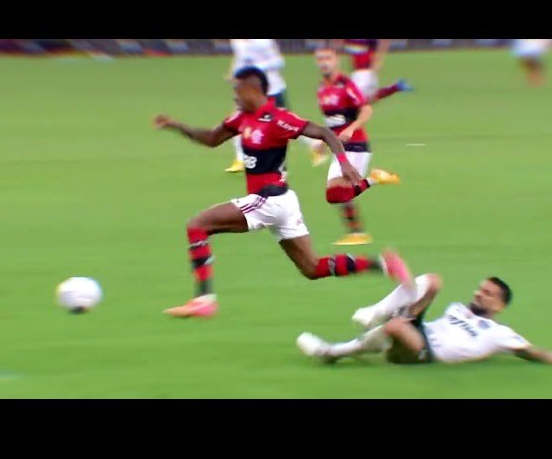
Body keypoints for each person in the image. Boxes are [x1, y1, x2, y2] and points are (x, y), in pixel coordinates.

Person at [154, 66, 412, 318]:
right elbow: (211, 138)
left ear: (252, 90)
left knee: (197, 225)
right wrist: (176, 126)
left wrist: (344, 164)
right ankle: (384, 264)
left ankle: (204, 300)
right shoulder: (240, 118)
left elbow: (324, 132)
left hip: (268, 200)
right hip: (282, 203)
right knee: (313, 268)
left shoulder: (278, 119)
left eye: (237, 90)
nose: (234, 96)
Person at [297, 274, 552, 366]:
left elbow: (531, 352)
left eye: (487, 294)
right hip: (418, 334)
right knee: (434, 281)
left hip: (425, 354)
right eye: (480, 289)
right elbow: (420, 313)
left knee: (395, 327)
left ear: (499, 305)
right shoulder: (457, 309)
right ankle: (375, 311)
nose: (479, 294)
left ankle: (331, 352)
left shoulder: (500, 333)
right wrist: (410, 309)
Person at [314, 47, 400, 246]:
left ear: (336, 60)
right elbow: (332, 121)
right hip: (339, 146)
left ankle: (358, 230)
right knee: (336, 194)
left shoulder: (346, 84)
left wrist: (351, 129)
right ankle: (356, 233)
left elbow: (366, 109)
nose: (324, 62)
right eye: (320, 59)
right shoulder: (321, 88)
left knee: (337, 193)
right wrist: (323, 141)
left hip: (356, 145)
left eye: (328, 58)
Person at [224, 39, 324, 173]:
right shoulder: (237, 41)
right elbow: (240, 59)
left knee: (284, 124)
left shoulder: (264, 42)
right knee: (238, 120)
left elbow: (278, 61)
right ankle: (240, 159)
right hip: (252, 90)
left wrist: (255, 69)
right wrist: (235, 73)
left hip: (273, 89)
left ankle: (314, 143)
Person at [341, 39, 413, 102]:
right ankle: (397, 87)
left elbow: (379, 48)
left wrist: (377, 63)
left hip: (363, 73)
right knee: (369, 98)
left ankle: (397, 87)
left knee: (361, 100)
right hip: (363, 73)